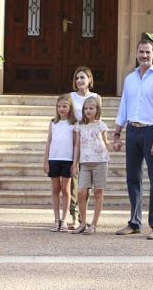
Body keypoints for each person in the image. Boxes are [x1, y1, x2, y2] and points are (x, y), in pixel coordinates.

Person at [112, 38, 153, 240]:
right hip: (132, 131)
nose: (144, 56)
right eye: (141, 52)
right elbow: (124, 108)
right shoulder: (130, 79)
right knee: (133, 178)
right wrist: (117, 133)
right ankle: (134, 223)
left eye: (148, 52)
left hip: (152, 131)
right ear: (136, 54)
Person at [67, 66, 100, 228]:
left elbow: (97, 119)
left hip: (90, 144)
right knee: (74, 180)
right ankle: (73, 214)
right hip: (74, 139)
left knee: (85, 183)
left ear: (89, 80)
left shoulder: (96, 97)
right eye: (77, 78)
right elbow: (67, 118)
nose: (79, 80)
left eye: (83, 77)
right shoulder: (70, 97)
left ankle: (83, 215)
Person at [71, 96, 109, 235]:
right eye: (86, 108)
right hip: (85, 163)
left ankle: (93, 225)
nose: (88, 111)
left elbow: (106, 143)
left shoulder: (101, 125)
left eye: (91, 108)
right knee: (81, 192)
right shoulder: (79, 125)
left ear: (97, 110)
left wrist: (115, 145)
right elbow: (77, 146)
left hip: (100, 161)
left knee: (98, 192)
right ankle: (82, 223)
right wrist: (74, 164)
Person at [43, 95, 77, 232]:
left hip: (68, 160)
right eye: (59, 106)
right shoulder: (53, 123)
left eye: (64, 106)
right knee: (55, 189)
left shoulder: (74, 124)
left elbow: (76, 145)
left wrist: (75, 163)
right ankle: (56, 220)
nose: (61, 109)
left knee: (66, 190)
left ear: (70, 108)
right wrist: (46, 160)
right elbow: (49, 141)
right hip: (54, 159)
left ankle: (64, 220)